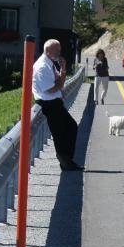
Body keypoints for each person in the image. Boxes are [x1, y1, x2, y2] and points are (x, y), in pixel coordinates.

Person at [32, 39, 83, 171]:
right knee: (61, 133)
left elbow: (60, 82)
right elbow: (53, 88)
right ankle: (65, 162)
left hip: (54, 103)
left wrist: (63, 69)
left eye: (59, 50)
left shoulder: (50, 63)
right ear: (48, 51)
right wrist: (60, 82)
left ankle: (66, 160)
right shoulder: (42, 67)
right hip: (49, 104)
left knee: (69, 128)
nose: (59, 53)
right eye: (57, 50)